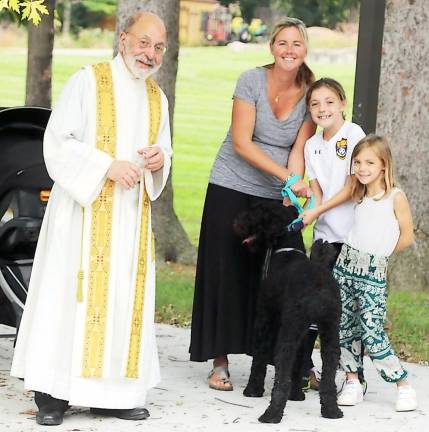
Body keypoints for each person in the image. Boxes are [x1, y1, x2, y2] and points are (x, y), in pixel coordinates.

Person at [10, 11, 172, 426]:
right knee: (70, 298)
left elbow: (163, 152)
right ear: (122, 40)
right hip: (81, 218)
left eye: (158, 46)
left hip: (131, 219)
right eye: (143, 42)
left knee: (121, 300)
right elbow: (57, 141)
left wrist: (158, 160)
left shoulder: (158, 99)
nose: (149, 53)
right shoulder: (88, 80)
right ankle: (53, 394)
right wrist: (105, 167)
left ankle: (113, 394)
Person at [189, 17, 315, 391]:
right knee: (225, 267)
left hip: (276, 191)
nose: (289, 50)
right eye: (283, 43)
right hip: (231, 181)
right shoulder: (250, 80)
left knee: (290, 275)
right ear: (271, 47)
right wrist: (287, 177)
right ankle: (220, 362)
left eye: (297, 43)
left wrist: (290, 193)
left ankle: (294, 362)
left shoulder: (310, 90)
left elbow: (298, 150)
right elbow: (242, 143)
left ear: (305, 49)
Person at [332, 135, 417, 411]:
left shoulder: (395, 196)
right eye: (357, 162)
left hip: (372, 272)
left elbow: (406, 237)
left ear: (384, 165)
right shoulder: (359, 193)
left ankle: (402, 384)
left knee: (371, 330)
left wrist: (378, 256)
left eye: (369, 162)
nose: (362, 168)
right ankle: (353, 381)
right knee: (344, 327)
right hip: (345, 268)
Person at [298, 78, 365, 390]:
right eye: (315, 104)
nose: (322, 109)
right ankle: (305, 367)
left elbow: (353, 187)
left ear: (342, 103)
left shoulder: (353, 135)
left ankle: (353, 375)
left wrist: (318, 210)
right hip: (324, 240)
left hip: (351, 238)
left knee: (347, 307)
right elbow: (317, 191)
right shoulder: (312, 145)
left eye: (328, 101)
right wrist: (307, 213)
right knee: (315, 304)